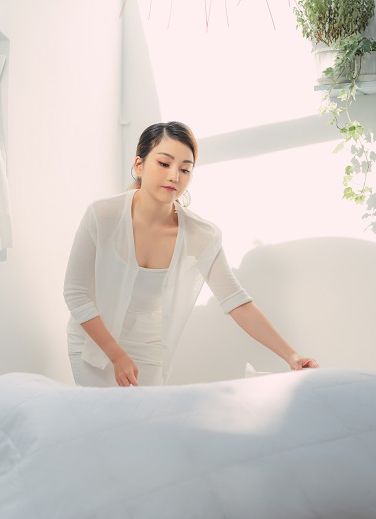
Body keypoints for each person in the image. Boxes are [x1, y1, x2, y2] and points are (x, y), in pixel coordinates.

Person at [63, 121, 318, 387]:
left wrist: (292, 355)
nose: (175, 176)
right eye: (164, 164)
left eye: (185, 169)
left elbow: (237, 302)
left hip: (147, 351)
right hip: (92, 345)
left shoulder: (200, 235)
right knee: (101, 424)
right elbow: (75, 293)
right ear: (139, 165)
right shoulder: (102, 215)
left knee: (145, 426)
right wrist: (115, 355)